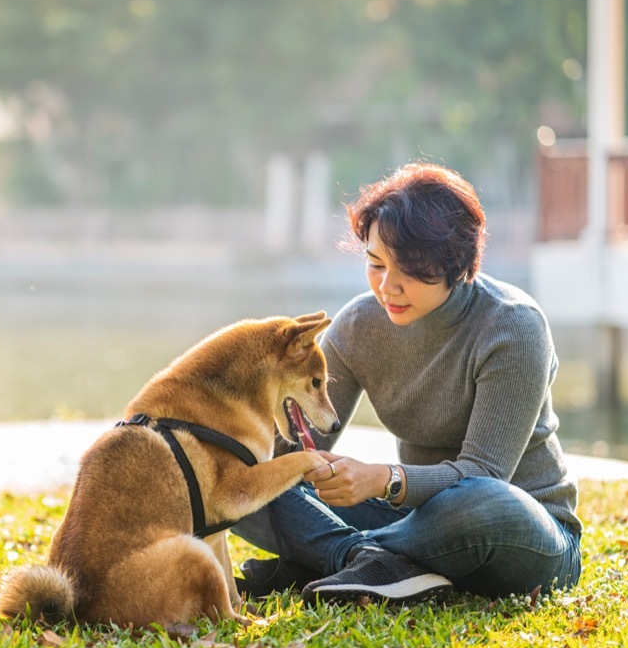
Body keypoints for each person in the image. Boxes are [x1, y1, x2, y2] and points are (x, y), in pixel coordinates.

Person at [233, 161, 582, 604]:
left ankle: (325, 559)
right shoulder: (360, 325)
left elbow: (484, 474)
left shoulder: (513, 327)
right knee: (244, 477)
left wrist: (384, 479)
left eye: (412, 271)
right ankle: (365, 560)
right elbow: (292, 452)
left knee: (479, 499)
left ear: (457, 265)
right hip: (411, 522)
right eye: (376, 264)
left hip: (519, 531)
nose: (387, 287)